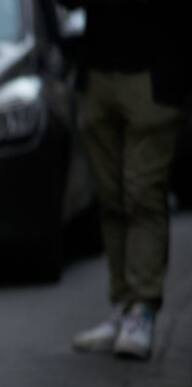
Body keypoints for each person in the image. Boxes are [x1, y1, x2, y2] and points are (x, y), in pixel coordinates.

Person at [66, 0, 190, 360]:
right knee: (110, 195)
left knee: (143, 193)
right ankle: (122, 305)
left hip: (152, 75)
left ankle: (143, 308)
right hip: (99, 71)